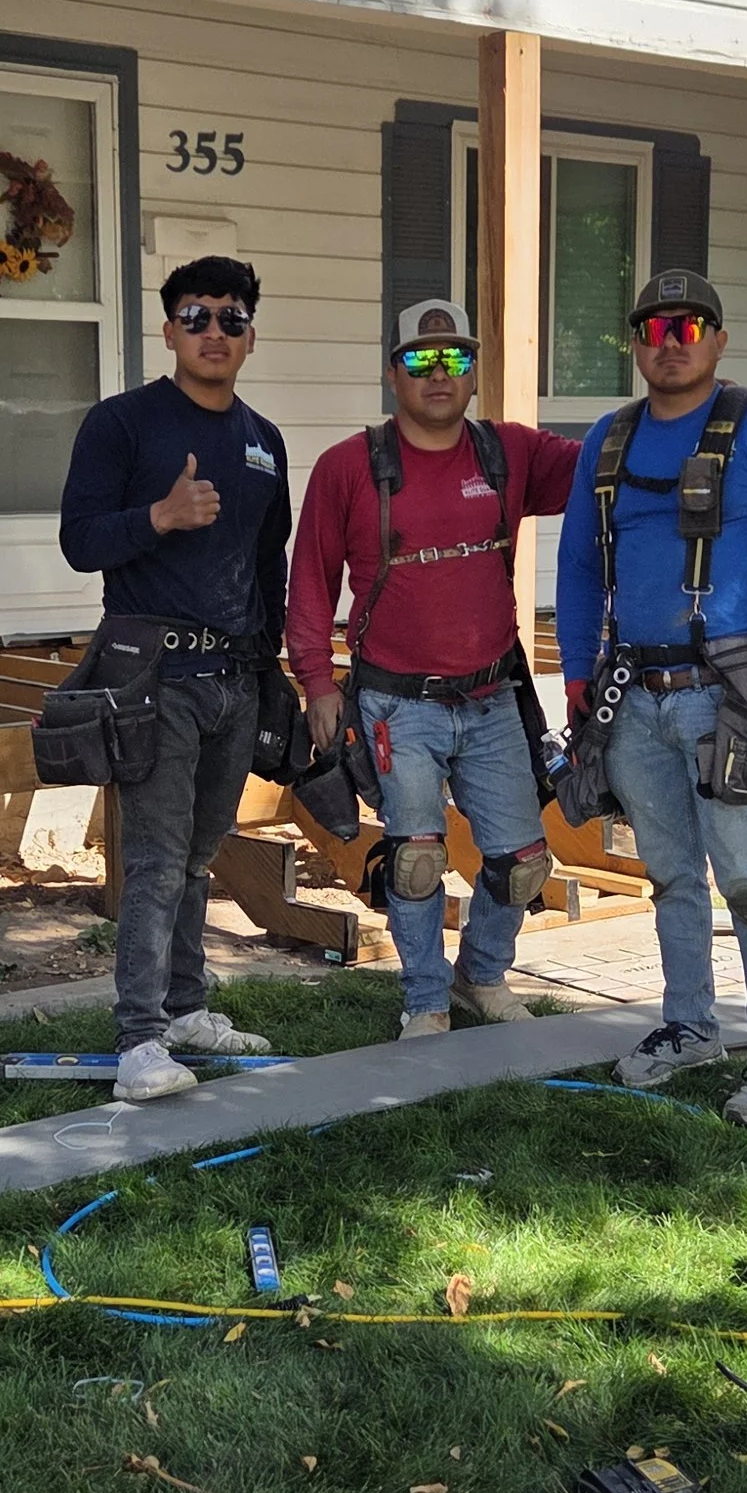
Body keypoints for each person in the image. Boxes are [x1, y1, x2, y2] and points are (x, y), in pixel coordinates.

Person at [554, 266, 747, 1126]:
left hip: (731, 690)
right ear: (634, 343)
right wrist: (574, 668)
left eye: (689, 326)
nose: (670, 344)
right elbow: (576, 564)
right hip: (631, 689)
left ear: (718, 337)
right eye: (653, 328)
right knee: (671, 872)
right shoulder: (608, 439)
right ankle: (690, 1024)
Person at [288, 299, 581, 1035]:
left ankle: (479, 976)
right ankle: (423, 998)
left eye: (456, 357)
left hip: (491, 697)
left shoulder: (507, 453)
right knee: (416, 858)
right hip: (396, 703)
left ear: (475, 371)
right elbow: (311, 581)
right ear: (394, 375)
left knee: (521, 859)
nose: (440, 372)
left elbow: (609, 466)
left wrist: (677, 416)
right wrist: (317, 682)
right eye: (421, 359)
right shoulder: (349, 466)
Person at [57, 255, 290, 1101]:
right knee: (156, 859)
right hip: (153, 672)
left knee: (199, 853)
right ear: (169, 331)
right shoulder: (122, 425)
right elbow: (80, 539)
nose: (215, 331)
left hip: (234, 674)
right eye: (197, 316)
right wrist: (160, 516)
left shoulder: (265, 442)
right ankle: (140, 1042)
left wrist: (273, 672)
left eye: (232, 317)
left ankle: (187, 1008)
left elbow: (271, 564)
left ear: (250, 335)